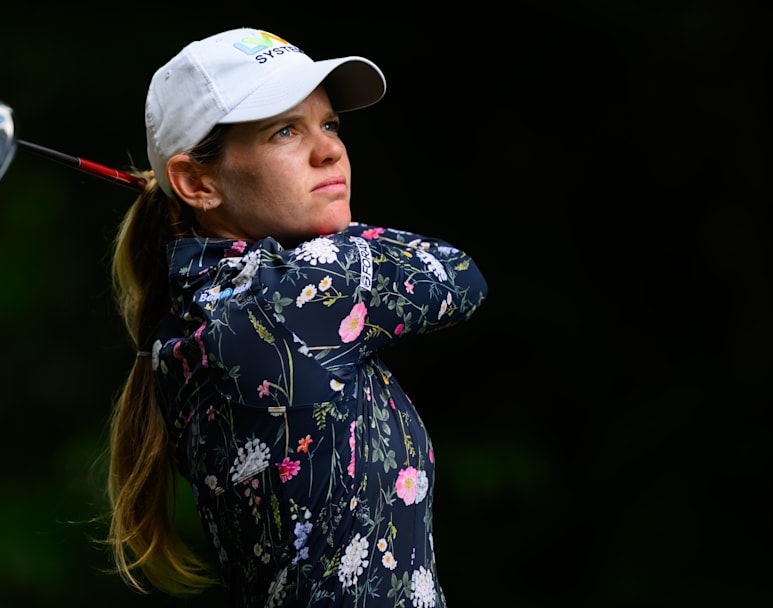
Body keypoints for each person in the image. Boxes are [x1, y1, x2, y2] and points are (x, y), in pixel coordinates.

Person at [104, 27, 488, 607]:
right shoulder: (278, 308)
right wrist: (324, 246)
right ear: (197, 182)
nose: (329, 150)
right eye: (284, 130)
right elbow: (459, 275)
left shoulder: (203, 311)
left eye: (329, 124)